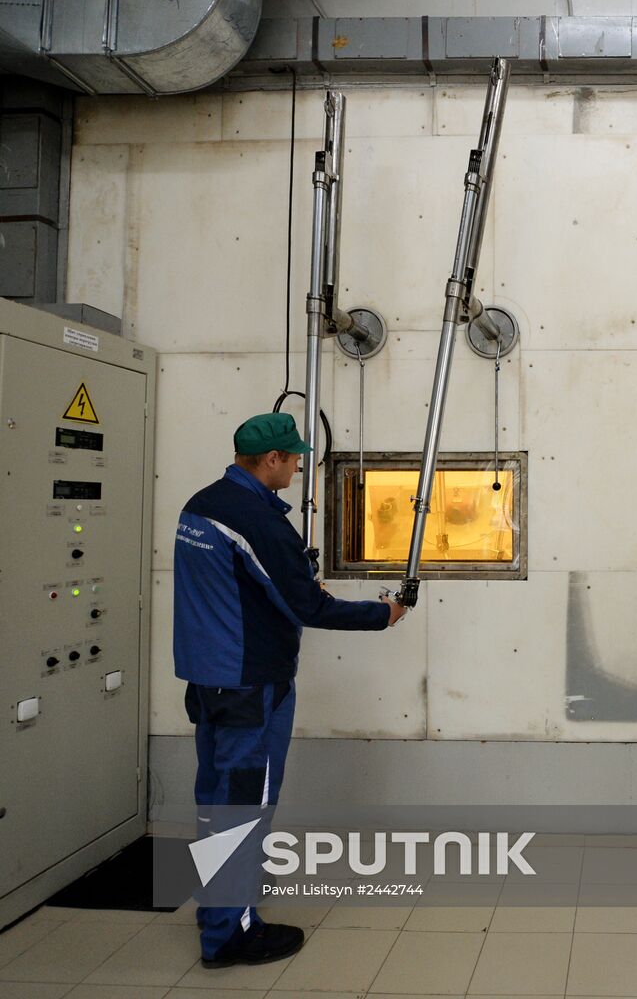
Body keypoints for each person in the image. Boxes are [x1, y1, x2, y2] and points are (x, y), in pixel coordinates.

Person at [173, 412, 406, 969]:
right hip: (252, 684)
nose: (300, 464)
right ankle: (231, 935)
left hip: (209, 679)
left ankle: (216, 911)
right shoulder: (256, 520)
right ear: (270, 460)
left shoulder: (200, 505)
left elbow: (243, 586)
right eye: (294, 457)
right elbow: (309, 607)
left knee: (216, 802)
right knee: (245, 806)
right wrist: (384, 614)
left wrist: (291, 579)